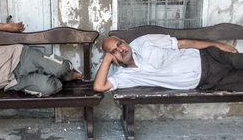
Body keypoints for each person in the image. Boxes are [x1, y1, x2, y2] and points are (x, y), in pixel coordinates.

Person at [93, 33, 243, 92]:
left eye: (119, 44)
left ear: (124, 42)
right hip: (210, 80)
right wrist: (106, 59)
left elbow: (182, 44)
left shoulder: (144, 41)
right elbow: (99, 87)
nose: (120, 50)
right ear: (112, 59)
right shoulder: (126, 76)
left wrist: (216, 45)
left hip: (210, 56)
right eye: (114, 52)